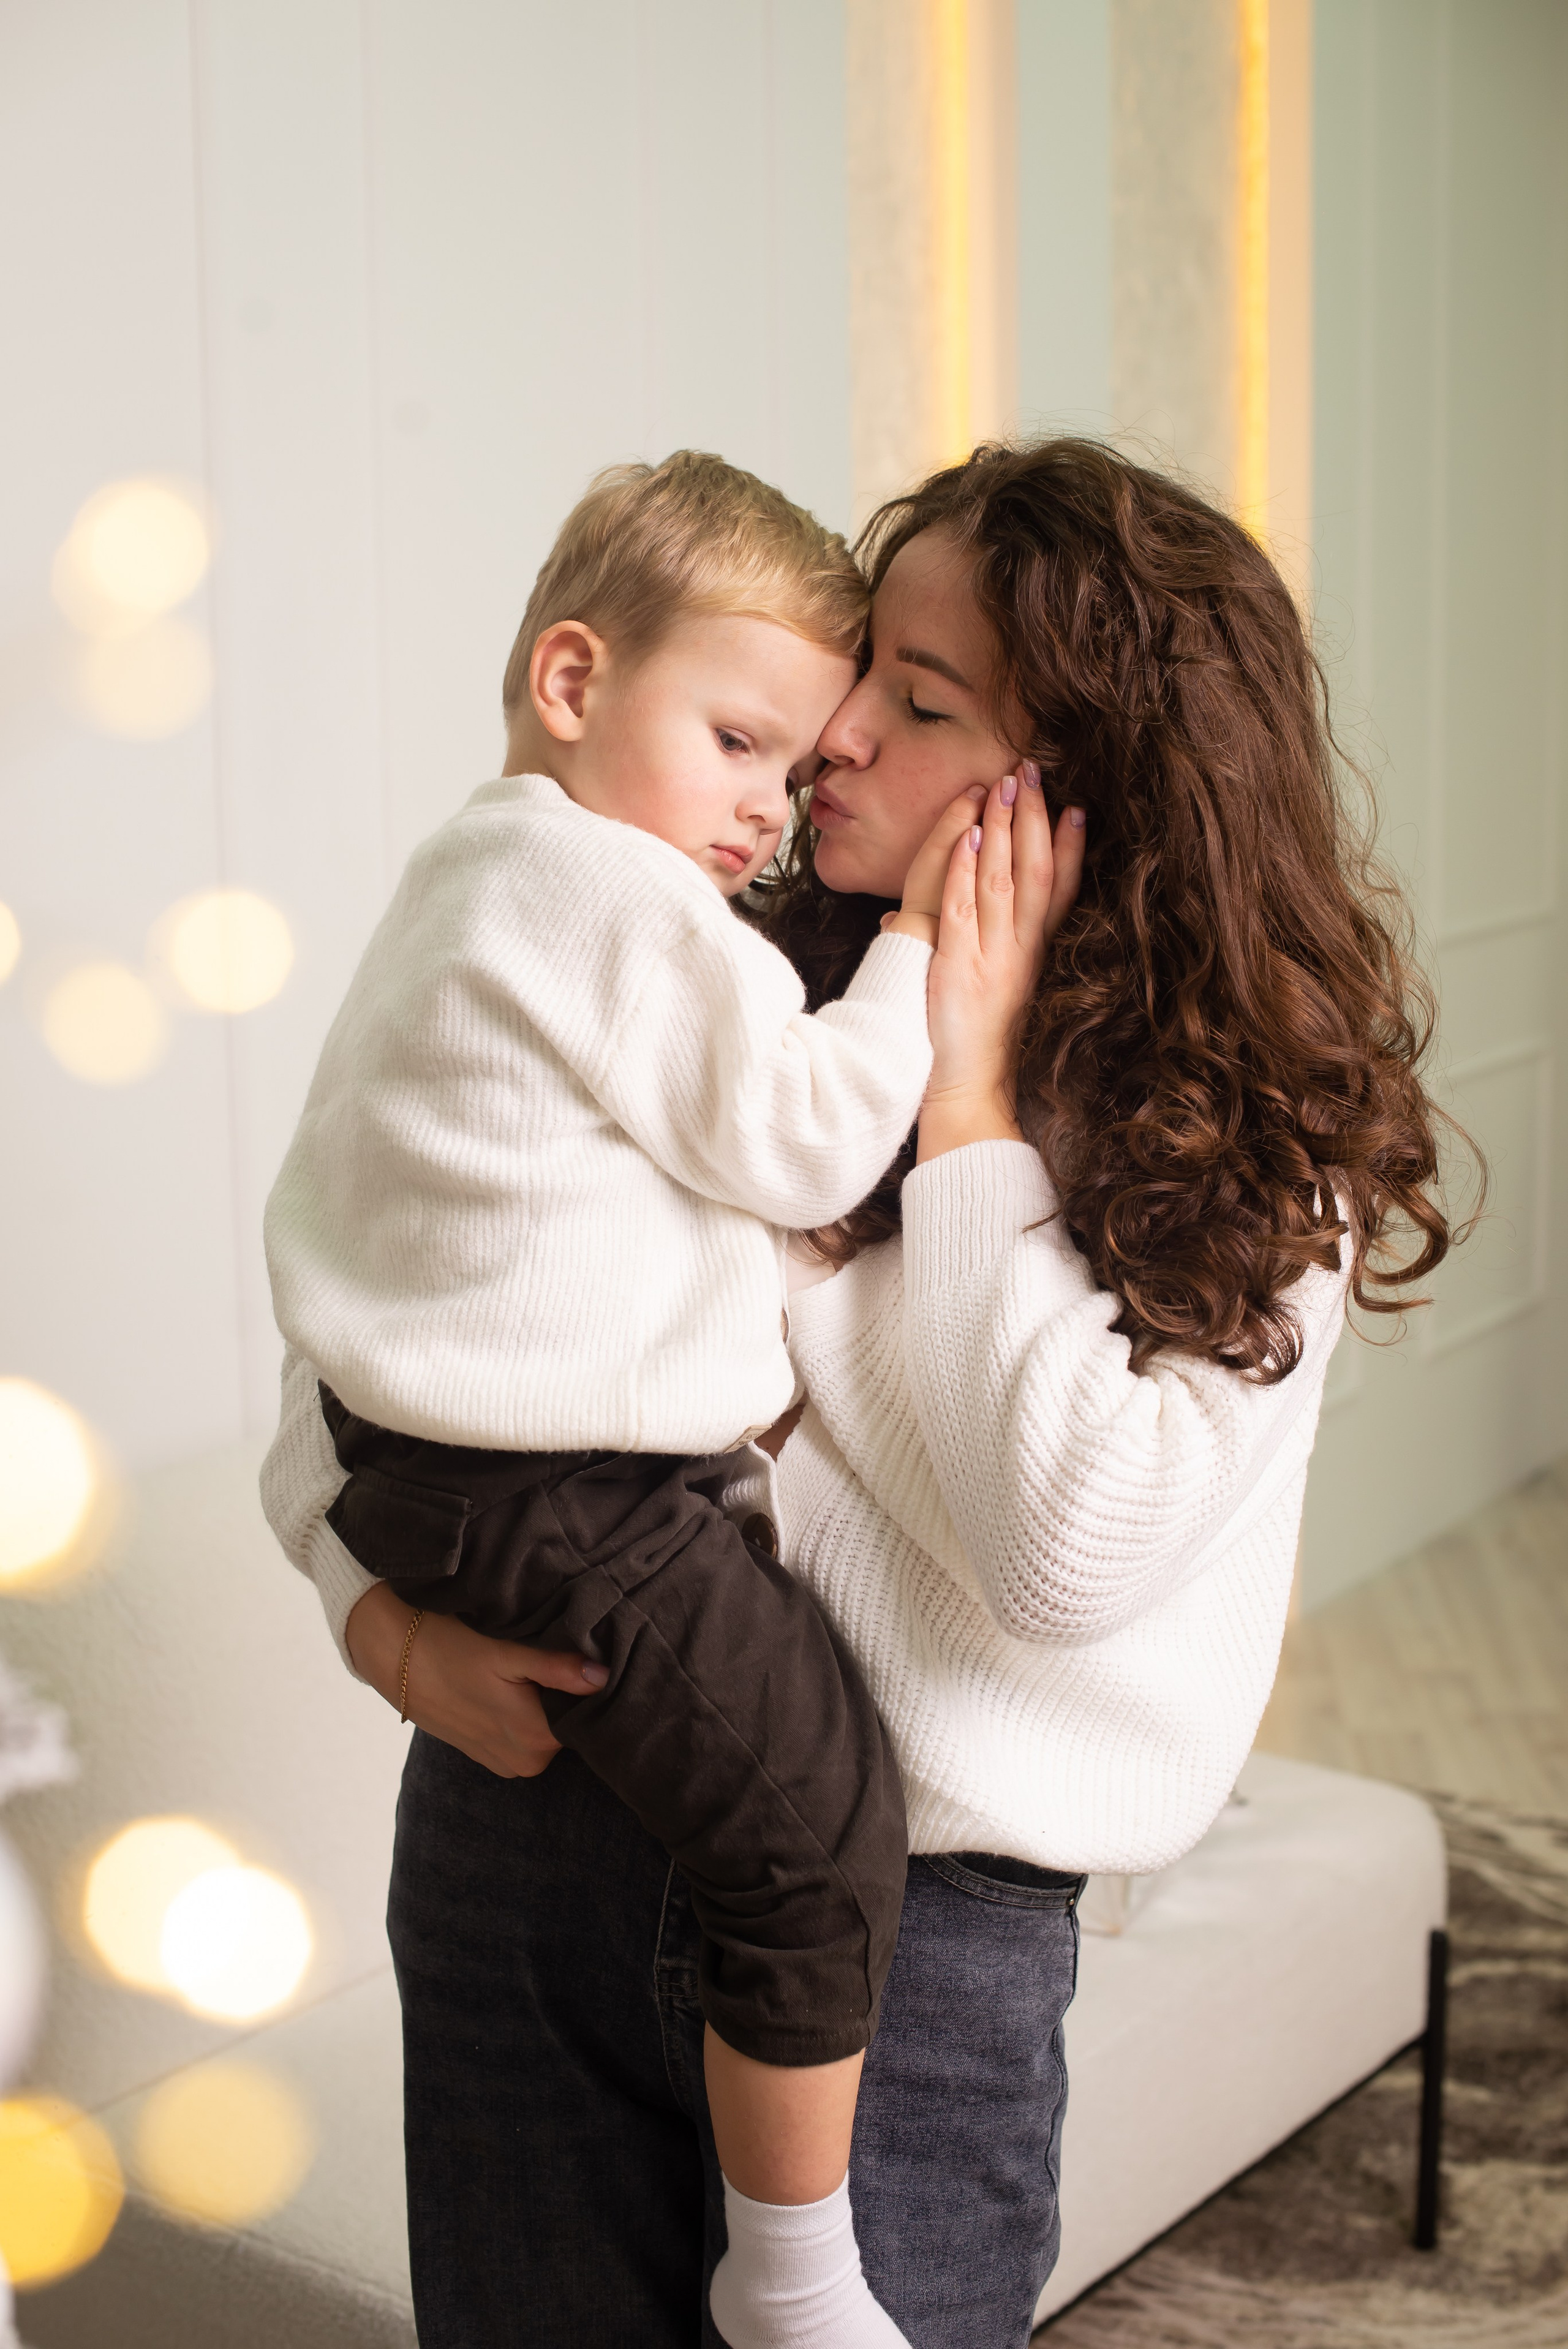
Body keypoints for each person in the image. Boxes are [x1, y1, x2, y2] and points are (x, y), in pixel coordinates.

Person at [265, 439, 1465, 2348]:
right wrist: (376, 1622)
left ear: (1095, 783)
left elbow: (1067, 1543)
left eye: (916, 702)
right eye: (846, 691)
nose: (829, 743)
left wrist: (972, 1094)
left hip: (912, 1967)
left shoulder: (1257, 1149)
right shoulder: (730, 976)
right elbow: (407, 1287)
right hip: (535, 1846)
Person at [262, 451, 1015, 2349]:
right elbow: (810, 1124)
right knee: (823, 1814)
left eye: (799, 758)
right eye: (743, 742)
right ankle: (798, 2279)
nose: (771, 809)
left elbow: (359, 1266)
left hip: (438, 1478)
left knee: (794, 1800)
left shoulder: (469, 881)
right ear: (575, 685)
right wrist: (928, 943)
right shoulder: (602, 889)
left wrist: (363, 1578)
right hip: (565, 1498)